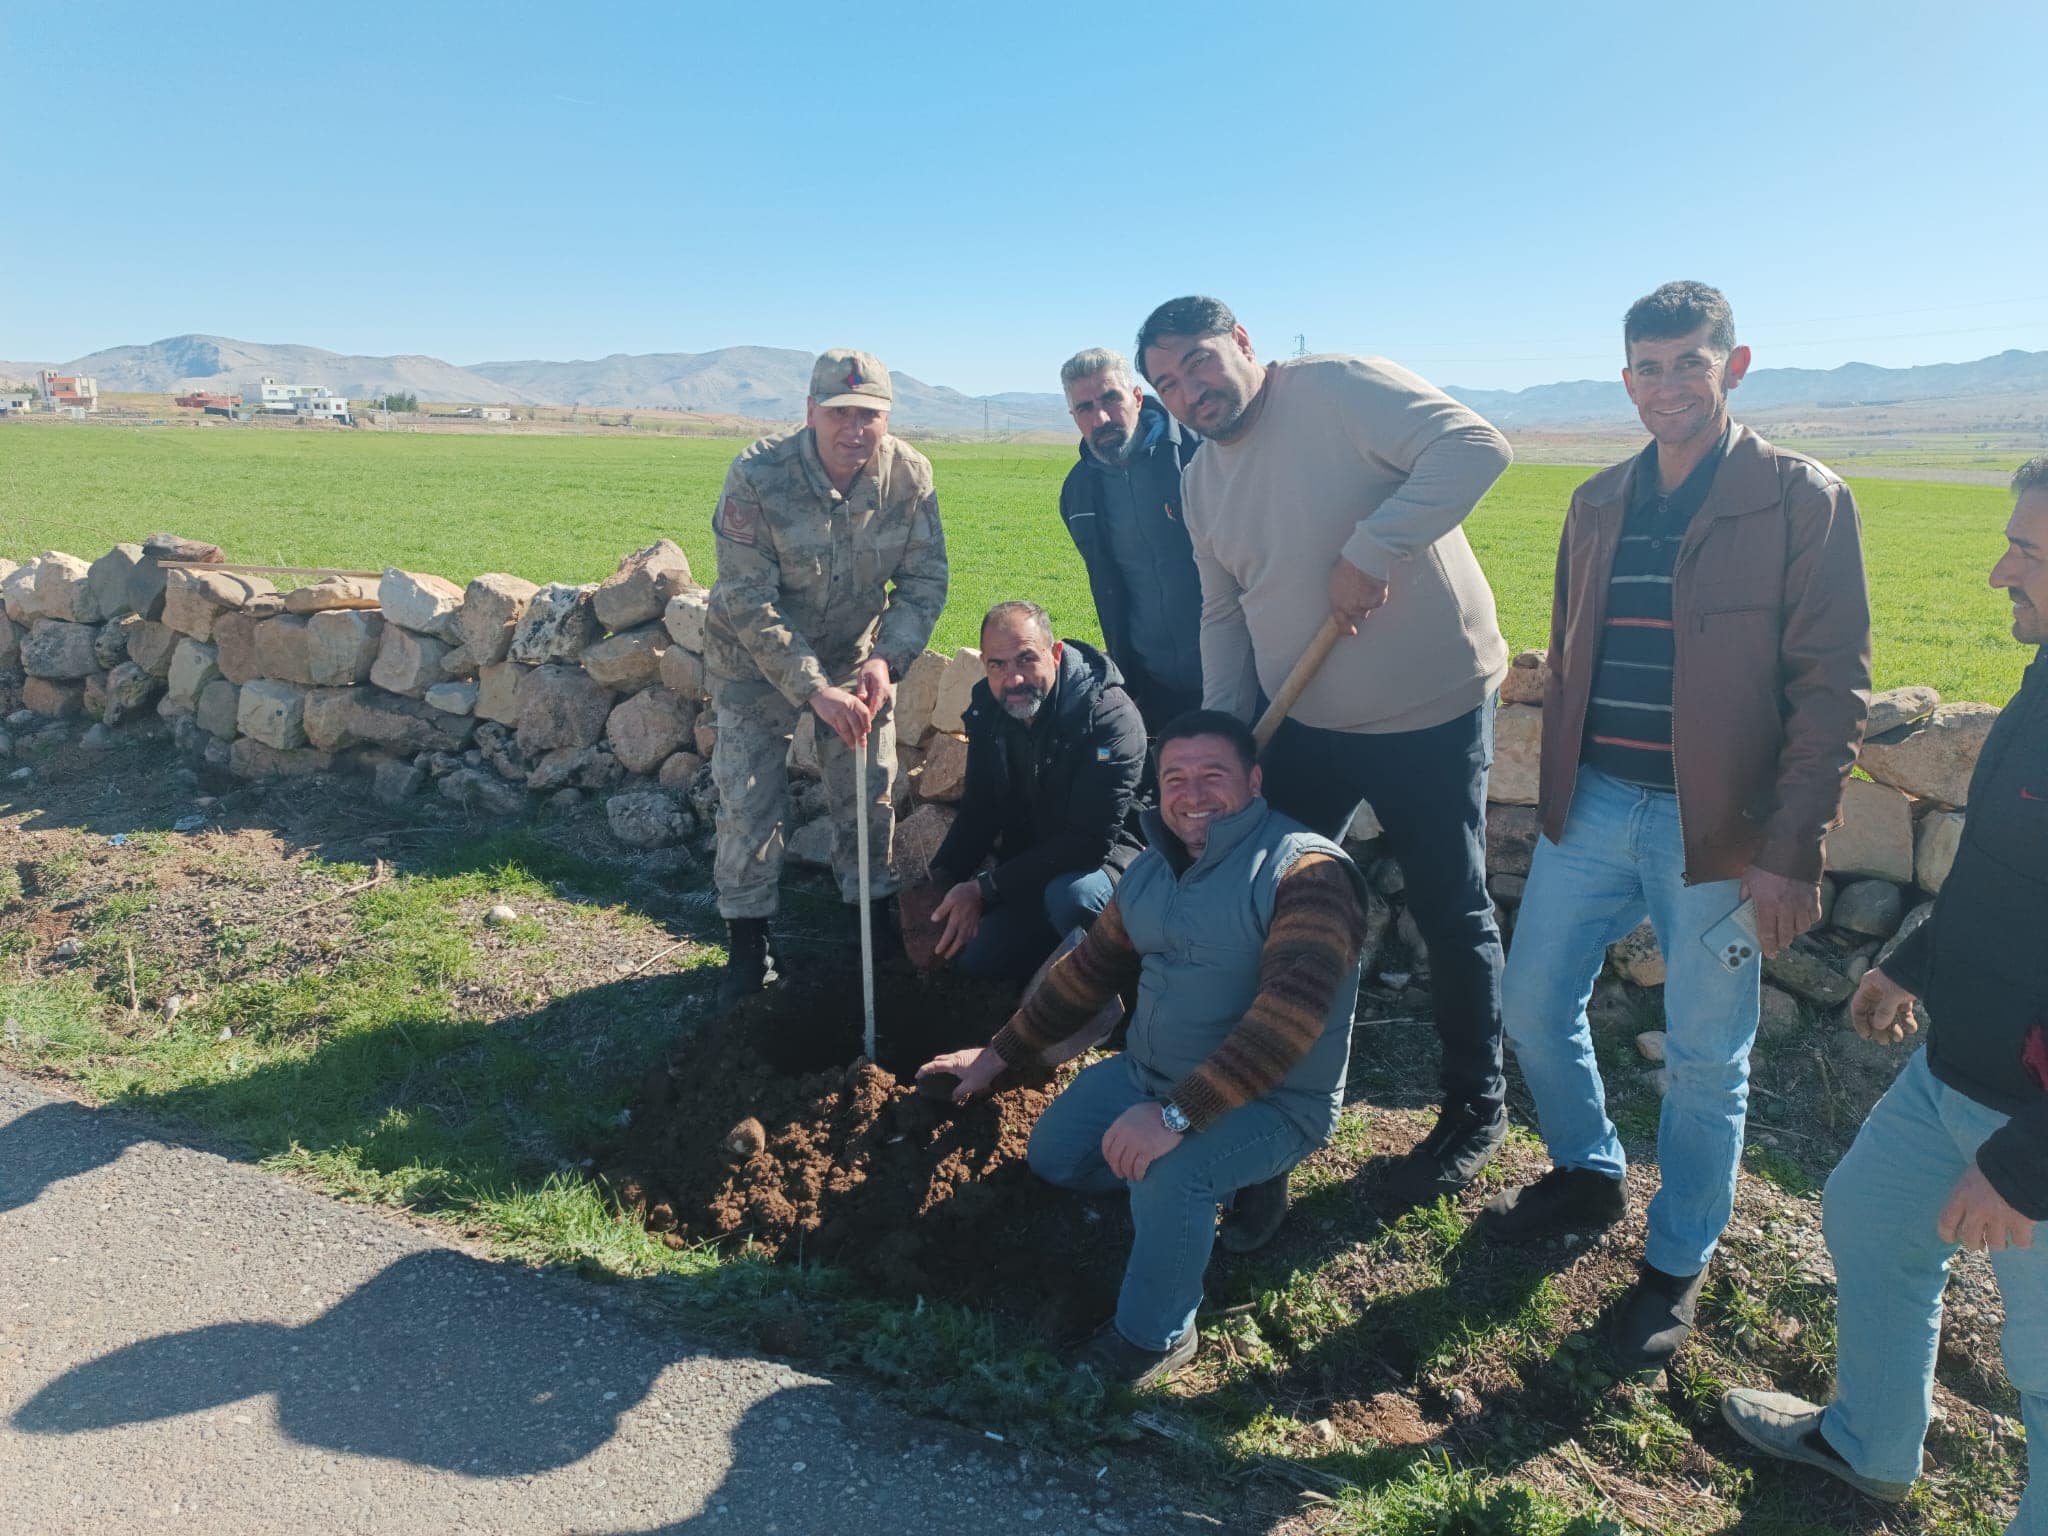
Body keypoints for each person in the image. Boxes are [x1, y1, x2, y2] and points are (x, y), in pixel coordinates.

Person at [1479, 282, 1872, 1374]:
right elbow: (1568, 656)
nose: (1665, 387)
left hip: (1718, 833)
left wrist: (1789, 848)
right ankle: (1585, 1169)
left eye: (1687, 364)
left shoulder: (1798, 498)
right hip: (1593, 805)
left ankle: (1675, 1262)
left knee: (1706, 1059)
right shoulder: (1597, 501)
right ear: (1623, 379)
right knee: (1529, 999)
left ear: (1732, 367)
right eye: (1645, 368)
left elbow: (1829, 684)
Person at [1721, 455, 2048, 1528]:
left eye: (2028, 551)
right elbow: (2004, 862)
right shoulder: (2044, 672)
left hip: (2031, 1128)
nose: (1999, 568)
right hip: (1960, 1069)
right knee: (1869, 1217)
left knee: (2043, 1375)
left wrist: (2023, 1165)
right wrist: (1913, 957)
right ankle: (1866, 1447)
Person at [1134, 294, 1514, 1211]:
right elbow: (1223, 613)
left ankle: (1477, 1106)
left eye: (1199, 363)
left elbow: (1477, 446)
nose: (1190, 391)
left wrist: (1375, 544)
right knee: (1267, 907)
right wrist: (1226, 742)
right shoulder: (1200, 482)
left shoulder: (1339, 388)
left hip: (1431, 708)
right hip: (1307, 723)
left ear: (1244, 344)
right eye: (1167, 383)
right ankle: (1257, 1102)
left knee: (1447, 901)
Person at [919, 711, 1370, 1385]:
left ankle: (1156, 1337)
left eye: (1213, 775)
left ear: (1253, 779)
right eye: (1176, 778)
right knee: (1053, 1155)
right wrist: (996, 1056)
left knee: (1173, 1176)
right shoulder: (1151, 874)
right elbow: (1085, 976)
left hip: (1275, 1100)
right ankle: (1199, 1197)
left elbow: (1288, 1023)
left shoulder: (1306, 875)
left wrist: (1175, 1118)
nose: (1193, 794)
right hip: (1148, 1075)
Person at [704, 348, 950, 1007]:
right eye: (840, 412)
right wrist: (812, 690)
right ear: (810, 412)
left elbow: (925, 581)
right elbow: (747, 599)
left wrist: (884, 660)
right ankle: (748, 943)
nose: (855, 427)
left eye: (869, 414)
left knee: (868, 792)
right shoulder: (758, 475)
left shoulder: (910, 476)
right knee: (749, 799)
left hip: (855, 658)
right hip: (756, 663)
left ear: (887, 417)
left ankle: (866, 925)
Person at [923, 601, 1147, 978]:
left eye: (1026, 659)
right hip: (1037, 866)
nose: (1013, 680)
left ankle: (1110, 984)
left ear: (1055, 653)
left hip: (1112, 864)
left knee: (1071, 900)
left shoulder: (1108, 718)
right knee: (976, 958)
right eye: (998, 664)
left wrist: (985, 889)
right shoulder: (988, 707)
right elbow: (979, 809)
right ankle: (1051, 961)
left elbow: (1089, 842)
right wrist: (941, 881)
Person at [1055, 347, 1205, 732]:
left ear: (1137, 397)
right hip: (1150, 684)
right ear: (1073, 417)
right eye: (1085, 408)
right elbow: (1109, 584)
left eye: (1111, 399)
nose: (1101, 417)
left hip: (1233, 672)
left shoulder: (1198, 456)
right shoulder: (1077, 492)